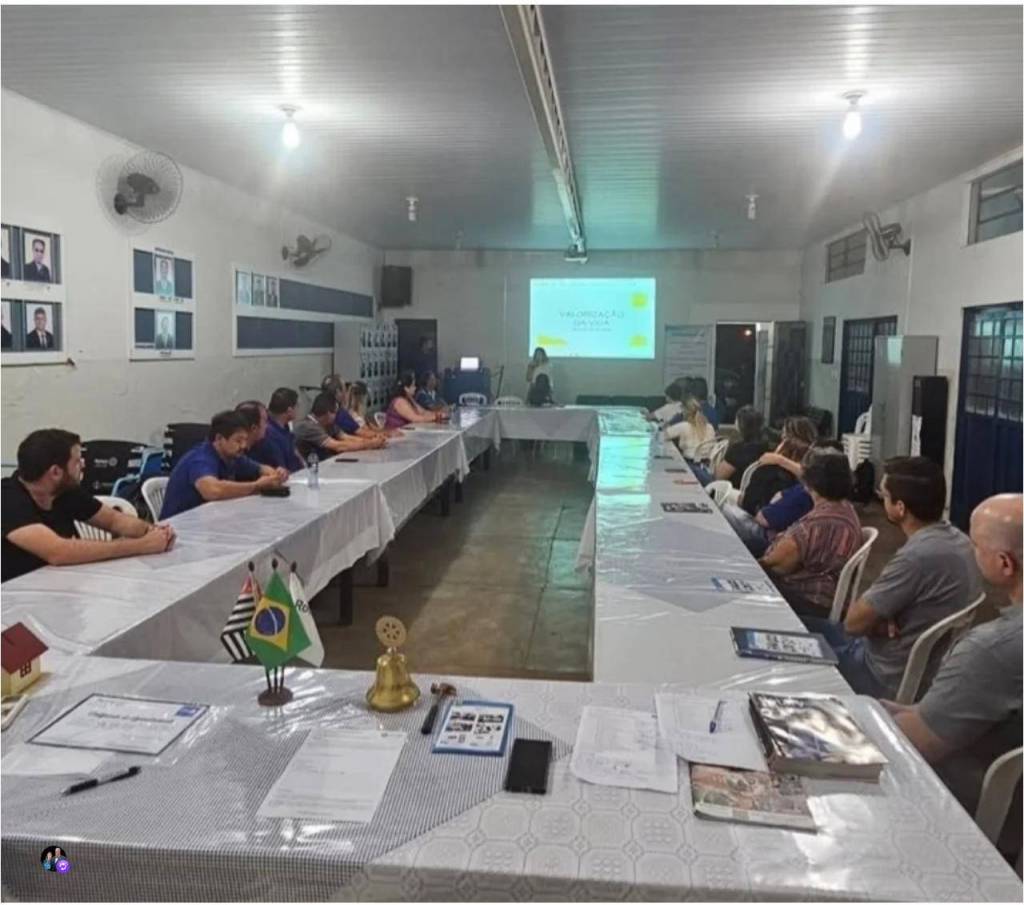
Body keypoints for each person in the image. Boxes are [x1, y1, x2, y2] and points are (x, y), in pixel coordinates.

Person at [883, 493, 1022, 860]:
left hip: (982, 815)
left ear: (1004, 564)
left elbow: (915, 743)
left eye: (975, 545)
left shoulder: (993, 649)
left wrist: (865, 715)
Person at [803, 457, 982, 698]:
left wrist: (875, 619)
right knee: (800, 626)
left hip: (877, 674)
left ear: (900, 507)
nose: (880, 497)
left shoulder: (917, 557)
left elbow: (853, 624)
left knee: (789, 639)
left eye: (884, 494)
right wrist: (885, 616)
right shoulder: (959, 541)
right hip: (917, 670)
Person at [2, 428, 176, 582]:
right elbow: (58, 552)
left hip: (60, 583)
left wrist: (154, 533)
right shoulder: (8, 499)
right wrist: (141, 546)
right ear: (55, 472)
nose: (84, 464)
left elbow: (114, 520)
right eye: (77, 461)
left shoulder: (64, 491)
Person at [759, 448, 861, 618]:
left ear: (809, 483)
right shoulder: (846, 510)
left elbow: (776, 564)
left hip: (808, 600)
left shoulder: (815, 525)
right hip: (830, 597)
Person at [160, 411, 288, 519]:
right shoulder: (201, 458)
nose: (244, 446)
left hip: (208, 520)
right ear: (219, 439)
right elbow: (212, 490)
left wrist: (276, 475)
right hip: (179, 527)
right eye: (238, 440)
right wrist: (256, 486)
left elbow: (262, 469)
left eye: (245, 440)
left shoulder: (233, 456)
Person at [722, 441, 834, 558]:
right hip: (778, 535)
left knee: (724, 510)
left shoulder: (802, 494)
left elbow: (762, 519)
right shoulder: (829, 499)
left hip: (769, 538)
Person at [739, 416, 817, 516]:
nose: (782, 437)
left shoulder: (814, 463)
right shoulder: (776, 463)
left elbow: (810, 475)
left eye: (786, 435)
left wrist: (779, 459)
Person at [294, 392, 385, 460]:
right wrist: (369, 444)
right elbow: (338, 446)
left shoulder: (329, 423)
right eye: (335, 412)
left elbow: (346, 437)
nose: (337, 415)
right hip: (314, 468)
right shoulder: (307, 426)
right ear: (329, 413)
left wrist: (373, 440)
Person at [248, 388, 304, 472]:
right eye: (297, 406)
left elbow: (294, 452)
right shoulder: (268, 434)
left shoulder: (284, 426)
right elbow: (281, 469)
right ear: (289, 410)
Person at [321, 375, 389, 444]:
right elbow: (361, 433)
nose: (346, 392)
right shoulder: (340, 414)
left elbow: (344, 436)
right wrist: (377, 438)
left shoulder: (324, 411)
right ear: (338, 392)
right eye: (344, 388)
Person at [715, 406, 769, 488]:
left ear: (740, 425)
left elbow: (719, 477)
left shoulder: (737, 450)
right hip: (757, 491)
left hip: (733, 491)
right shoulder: (766, 448)